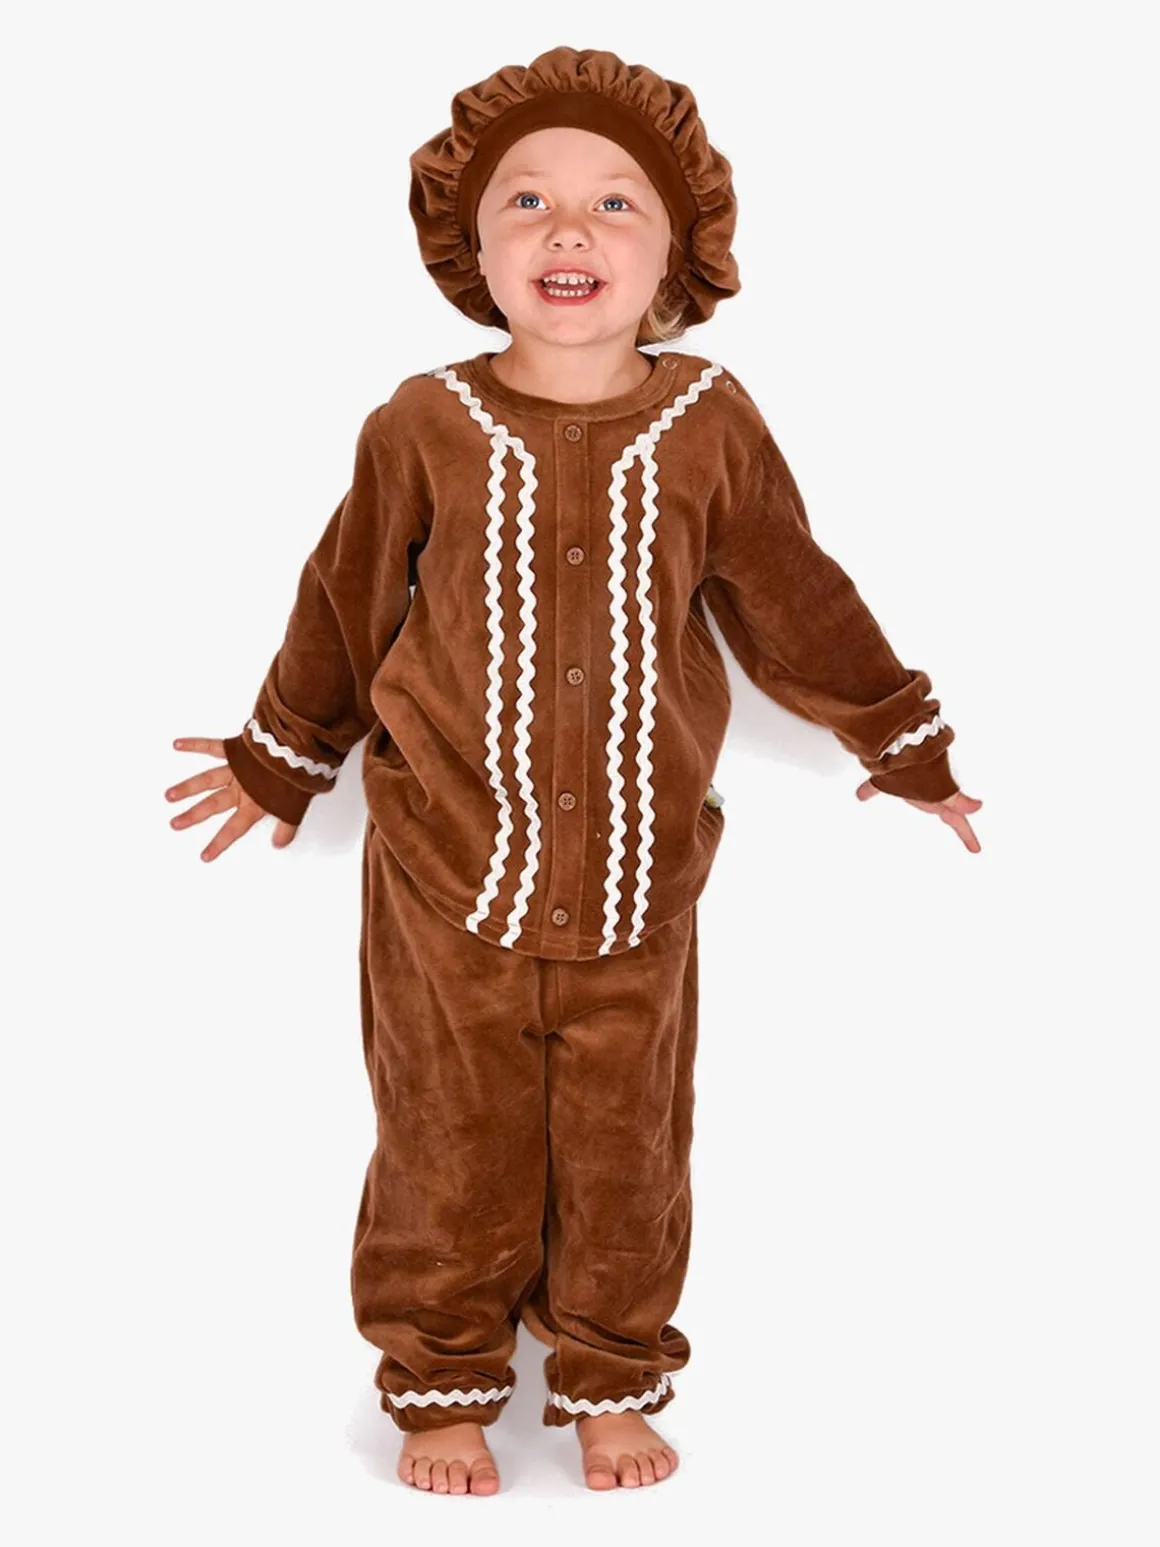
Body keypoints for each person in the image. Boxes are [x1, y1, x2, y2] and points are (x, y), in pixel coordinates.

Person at [164, 45, 982, 1498]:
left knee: (627, 1145)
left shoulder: (710, 422)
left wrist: (899, 738)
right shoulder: (421, 424)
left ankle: (611, 1373)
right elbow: (347, 599)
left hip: (640, 870)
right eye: (527, 200)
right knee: (447, 1137)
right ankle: (441, 1379)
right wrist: (279, 758)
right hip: (446, 868)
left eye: (616, 203)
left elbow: (794, 595)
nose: (569, 228)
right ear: (470, 247)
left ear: (678, 250)